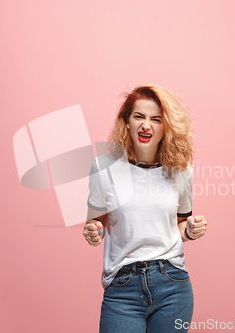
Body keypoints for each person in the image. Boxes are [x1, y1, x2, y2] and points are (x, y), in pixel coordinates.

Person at [83, 84, 207, 333]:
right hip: (122, 288)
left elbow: (180, 225)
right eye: (139, 116)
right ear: (126, 121)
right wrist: (93, 231)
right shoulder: (104, 167)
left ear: (166, 126)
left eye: (156, 119)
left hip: (172, 285)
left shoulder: (181, 170)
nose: (146, 125)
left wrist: (191, 230)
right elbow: (95, 225)